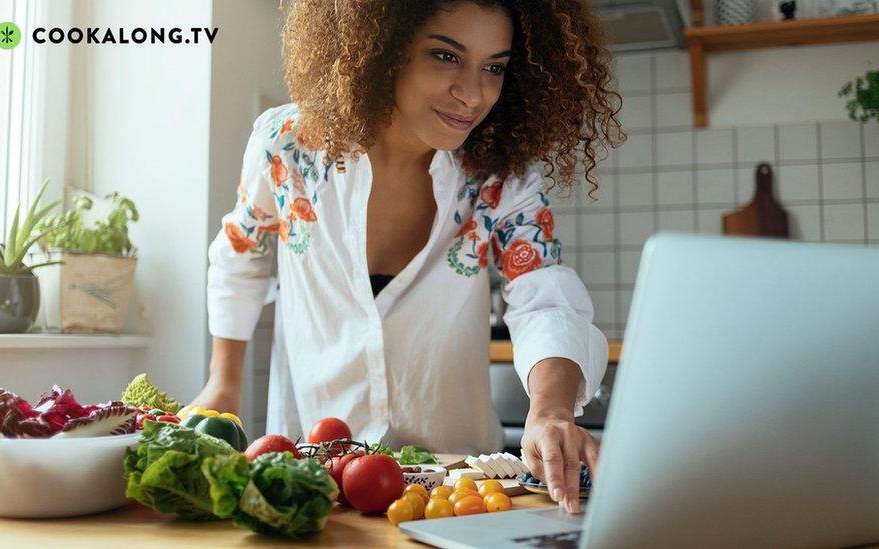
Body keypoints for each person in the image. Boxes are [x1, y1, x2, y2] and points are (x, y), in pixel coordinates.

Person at [194, 0, 625, 514]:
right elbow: (240, 254)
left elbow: (545, 297)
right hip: (314, 479)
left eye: (494, 67)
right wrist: (223, 386)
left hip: (457, 490)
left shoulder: (499, 178)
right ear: (382, 48)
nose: (473, 93)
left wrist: (551, 411)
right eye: (445, 56)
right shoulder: (287, 146)